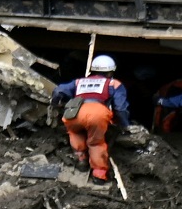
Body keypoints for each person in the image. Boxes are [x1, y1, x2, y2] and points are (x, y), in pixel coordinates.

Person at [51, 55, 130, 184]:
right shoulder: (114, 84)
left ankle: (81, 159)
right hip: (97, 113)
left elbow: (58, 90)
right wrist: (125, 125)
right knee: (96, 142)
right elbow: (121, 108)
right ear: (111, 72)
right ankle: (99, 175)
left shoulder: (79, 82)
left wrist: (55, 104)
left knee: (75, 132)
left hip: (75, 112)